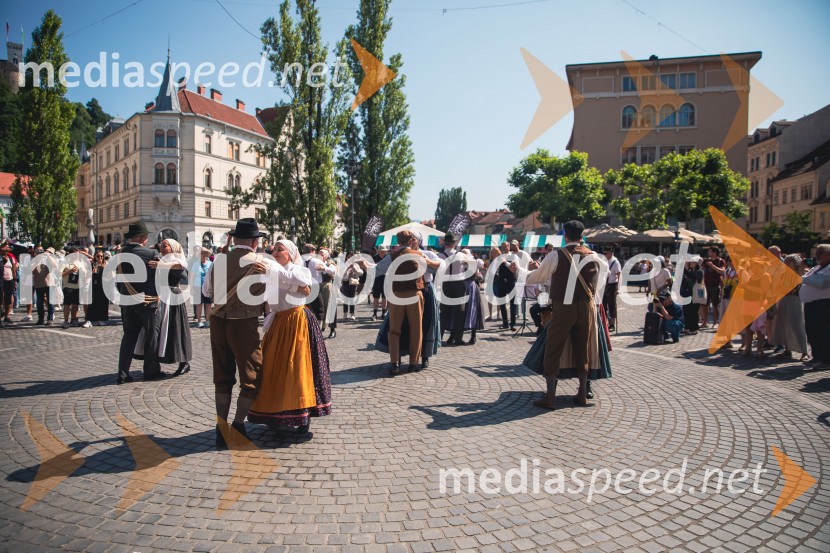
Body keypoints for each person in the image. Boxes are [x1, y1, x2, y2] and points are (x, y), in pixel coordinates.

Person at [515, 220, 602, 410]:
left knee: (553, 348)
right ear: (582, 235)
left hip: (564, 306)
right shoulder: (593, 255)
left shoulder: (557, 254)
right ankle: (582, 393)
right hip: (587, 306)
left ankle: (550, 396)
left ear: (565, 235)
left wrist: (521, 272)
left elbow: (535, 278)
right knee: (582, 349)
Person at [247, 239, 330, 436]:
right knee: (272, 369)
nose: (275, 252)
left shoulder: (300, 270)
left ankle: (302, 415)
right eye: (274, 249)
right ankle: (274, 412)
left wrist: (272, 271)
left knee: (297, 369)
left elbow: (305, 288)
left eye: (280, 249)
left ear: (291, 253)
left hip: (296, 322)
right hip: (278, 322)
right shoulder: (272, 271)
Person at [203, 218, 270, 447]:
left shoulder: (218, 261)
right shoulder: (261, 263)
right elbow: (270, 296)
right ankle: (239, 425)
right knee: (252, 376)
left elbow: (207, 290)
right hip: (244, 324)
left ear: (234, 239)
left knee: (222, 377)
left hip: (218, 322)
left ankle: (221, 428)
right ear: (254, 242)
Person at [116, 222, 166, 384]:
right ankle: (151, 371)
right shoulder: (151, 254)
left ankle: (123, 373)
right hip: (147, 302)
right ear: (143, 238)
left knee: (129, 337)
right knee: (152, 336)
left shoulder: (121, 254)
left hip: (127, 301)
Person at [148, 239, 193, 377]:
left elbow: (180, 266)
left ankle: (184, 362)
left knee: (176, 328)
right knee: (160, 330)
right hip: (161, 296)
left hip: (173, 295)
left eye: (165, 245)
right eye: (161, 245)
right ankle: (157, 361)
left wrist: (161, 265)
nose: (162, 247)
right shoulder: (160, 258)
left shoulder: (177, 258)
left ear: (173, 247)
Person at [387, 230, 427, 375]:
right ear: (411, 241)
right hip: (414, 293)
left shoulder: (392, 256)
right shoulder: (419, 255)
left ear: (398, 242)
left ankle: (395, 363)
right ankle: (413, 363)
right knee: (416, 328)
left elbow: (379, 270)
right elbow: (431, 269)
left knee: (394, 330)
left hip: (397, 294)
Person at [769, 254, 809, 361]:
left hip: (794, 300)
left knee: (797, 325)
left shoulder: (800, 272)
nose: (787, 264)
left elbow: (799, 280)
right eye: (786, 262)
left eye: (790, 262)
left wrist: (801, 266)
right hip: (784, 300)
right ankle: (787, 350)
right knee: (784, 325)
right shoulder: (783, 274)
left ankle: (804, 352)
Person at [800, 244, 830, 367]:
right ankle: (816, 356)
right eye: (816, 253)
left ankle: (825, 359)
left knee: (823, 331)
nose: (816, 256)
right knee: (811, 330)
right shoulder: (816, 267)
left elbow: (823, 283)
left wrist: (806, 279)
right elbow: (807, 277)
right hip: (811, 305)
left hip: (823, 304)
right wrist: (807, 278)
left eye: (820, 253)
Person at [439, 233, 469, 346]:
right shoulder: (461, 255)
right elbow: (475, 264)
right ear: (454, 244)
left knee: (444, 313)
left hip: (445, 285)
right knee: (459, 313)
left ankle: (439, 337)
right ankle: (458, 338)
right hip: (458, 285)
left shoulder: (439, 256)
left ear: (444, 243)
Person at [701, 246, 725, 328]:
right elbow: (701, 268)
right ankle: (705, 322)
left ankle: (715, 322)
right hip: (706, 285)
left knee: (715, 305)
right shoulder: (706, 260)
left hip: (715, 285)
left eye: (710, 251)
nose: (708, 253)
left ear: (714, 253)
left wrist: (712, 266)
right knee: (705, 304)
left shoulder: (720, 261)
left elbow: (722, 271)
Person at [679, 256, 703, 335]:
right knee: (686, 310)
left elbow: (696, 279)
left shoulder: (699, 271)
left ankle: (694, 328)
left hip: (696, 294)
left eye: (693, 262)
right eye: (691, 262)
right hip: (687, 293)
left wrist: (686, 270)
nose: (691, 263)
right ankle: (687, 327)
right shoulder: (688, 271)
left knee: (693, 311)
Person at [87, 250, 109, 325]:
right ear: (95, 257)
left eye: (101, 256)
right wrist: (92, 272)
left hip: (103, 286)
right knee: (92, 303)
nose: (100, 258)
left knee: (101, 302)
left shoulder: (105, 265)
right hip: (93, 286)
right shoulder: (92, 264)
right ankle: (90, 319)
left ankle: (100, 318)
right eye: (98, 256)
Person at [602, 247, 621, 331]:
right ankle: (604, 322)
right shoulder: (604, 260)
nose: (604, 255)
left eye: (606, 253)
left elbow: (619, 276)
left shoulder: (615, 262)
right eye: (604, 253)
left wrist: (618, 289)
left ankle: (612, 324)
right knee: (603, 304)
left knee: (612, 305)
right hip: (604, 285)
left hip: (612, 285)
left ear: (611, 253)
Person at [193, 248, 213, 328]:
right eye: (202, 253)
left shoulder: (210, 264)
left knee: (208, 305)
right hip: (197, 286)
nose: (204, 255)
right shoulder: (195, 264)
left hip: (207, 287)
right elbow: (192, 277)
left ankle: (207, 320)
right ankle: (199, 321)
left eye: (205, 253)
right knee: (199, 304)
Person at [340, 252, 363, 321]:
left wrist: (355, 270)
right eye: (349, 257)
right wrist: (347, 269)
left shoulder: (356, 264)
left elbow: (361, 273)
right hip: (345, 282)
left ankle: (352, 313)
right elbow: (340, 274)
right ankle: (345, 313)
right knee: (346, 297)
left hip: (353, 282)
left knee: (352, 298)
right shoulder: (343, 264)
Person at [1, 241, 18, 325]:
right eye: (6, 248)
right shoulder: (0, 258)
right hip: (1, 280)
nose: (7, 250)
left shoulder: (10, 258)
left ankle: (7, 317)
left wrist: (15, 280)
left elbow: (13, 270)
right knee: (1, 298)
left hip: (9, 280)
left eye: (8, 249)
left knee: (8, 299)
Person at [371, 245, 389, 320]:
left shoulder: (387, 258)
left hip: (386, 279)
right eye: (381, 251)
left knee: (385, 298)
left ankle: (383, 313)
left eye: (384, 251)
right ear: (378, 251)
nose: (383, 252)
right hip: (377, 279)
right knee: (376, 297)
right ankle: (374, 313)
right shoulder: (374, 258)